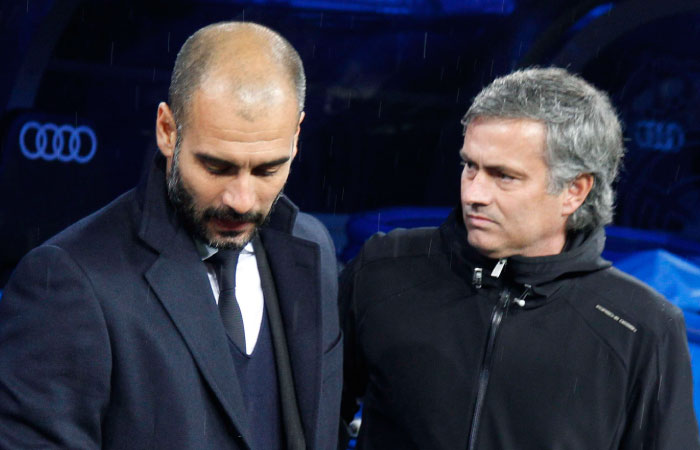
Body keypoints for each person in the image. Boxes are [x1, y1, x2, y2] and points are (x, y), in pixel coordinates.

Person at [0, 22, 341, 449]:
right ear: (167, 130)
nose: (241, 199)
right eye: (217, 167)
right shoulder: (68, 281)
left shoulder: (313, 250)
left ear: (296, 136)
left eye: (267, 169)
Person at [339, 67, 700, 449]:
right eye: (470, 166)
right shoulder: (383, 268)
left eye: (503, 176)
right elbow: (309, 416)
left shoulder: (641, 327)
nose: (474, 193)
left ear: (574, 191)